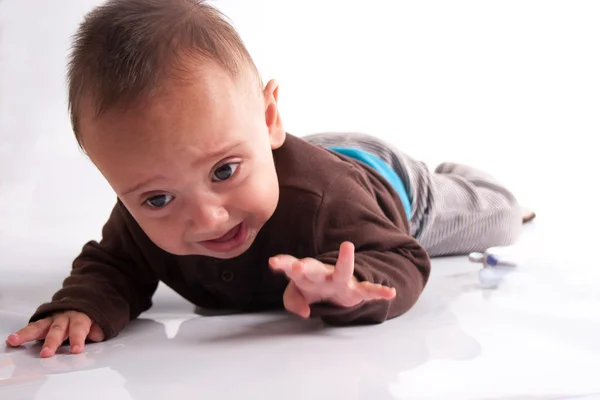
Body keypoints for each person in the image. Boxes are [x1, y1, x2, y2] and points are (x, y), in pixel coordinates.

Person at [5, 0, 534, 358]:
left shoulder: (327, 203)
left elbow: (400, 257)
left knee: (499, 216)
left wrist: (347, 286)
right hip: (295, 154)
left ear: (268, 119)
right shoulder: (140, 220)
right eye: (159, 197)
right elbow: (112, 265)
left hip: (385, 182)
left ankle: (453, 175)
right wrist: (82, 305)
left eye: (224, 171)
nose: (208, 216)